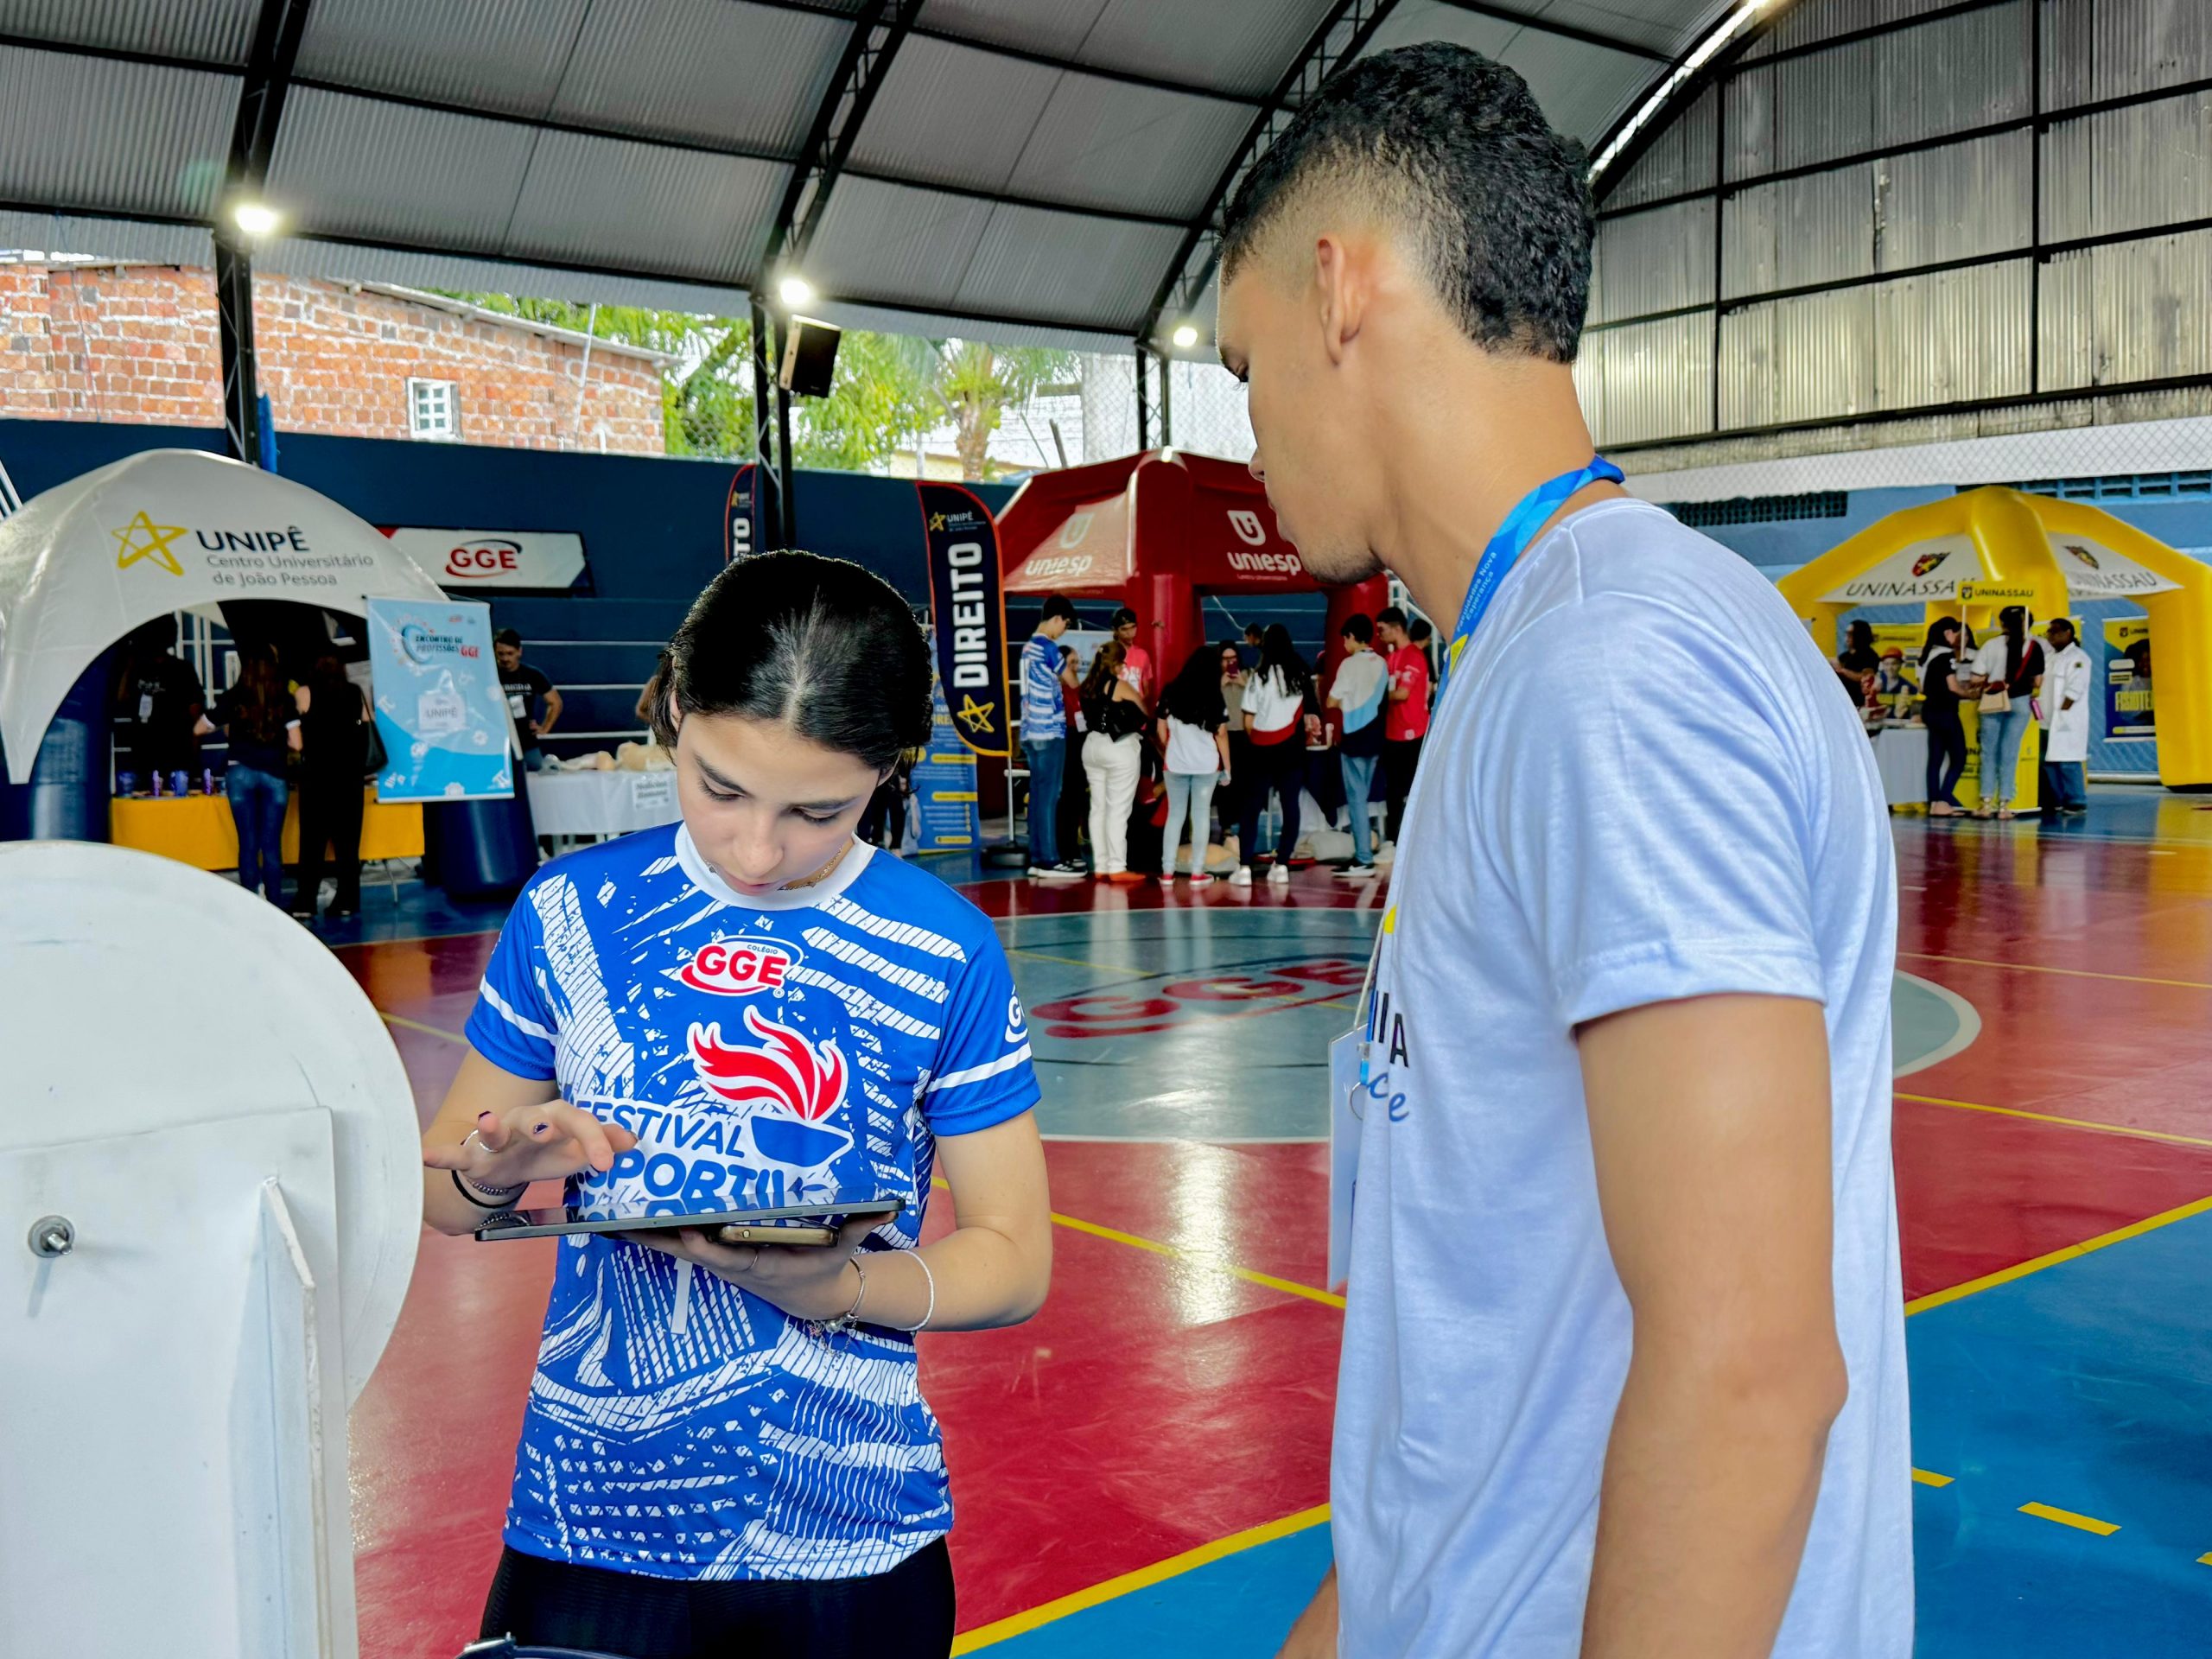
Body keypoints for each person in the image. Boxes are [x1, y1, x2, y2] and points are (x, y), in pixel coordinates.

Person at [1217, 41, 1908, 1658]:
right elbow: (1510, 1355)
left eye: (1245, 370)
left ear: (1337, 291)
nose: (1249, 437)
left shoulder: (1615, 671)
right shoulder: (1546, 657)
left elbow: (1746, 1374)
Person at [421, 550, 1052, 1659]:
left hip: (851, 1532)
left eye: (819, 810)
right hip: (591, 1517)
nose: (758, 850)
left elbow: (1013, 1257)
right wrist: (495, 1167)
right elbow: (443, 1194)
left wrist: (841, 1287)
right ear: (673, 706)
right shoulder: (572, 911)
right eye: (720, 789)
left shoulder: (942, 947)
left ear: (887, 770)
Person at [210, 645, 299, 906]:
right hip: (275, 773)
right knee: (271, 845)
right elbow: (297, 743)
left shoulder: (233, 697)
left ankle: (251, 905)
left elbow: (201, 727)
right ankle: (275, 905)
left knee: (248, 843)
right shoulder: (283, 698)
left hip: (240, 772)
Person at [292, 653, 372, 921]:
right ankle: (348, 900)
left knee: (312, 844)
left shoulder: (305, 693)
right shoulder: (354, 691)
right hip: (349, 779)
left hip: (316, 778)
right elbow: (367, 723)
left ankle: (305, 901)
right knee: (348, 845)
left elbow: (295, 732)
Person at [1233, 625, 1314, 888]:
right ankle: (1282, 865)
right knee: (1290, 806)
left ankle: (1244, 867)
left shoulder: (1258, 677)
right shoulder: (1299, 676)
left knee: (1251, 808)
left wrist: (1258, 739)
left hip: (1261, 750)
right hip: (1292, 750)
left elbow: (1248, 719)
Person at [1019, 595, 1084, 880]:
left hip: (1030, 730)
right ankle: (1048, 860)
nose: (1063, 631)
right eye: (1065, 625)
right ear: (1057, 619)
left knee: (1038, 796)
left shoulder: (1027, 648)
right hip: (1049, 730)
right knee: (1049, 797)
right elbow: (1072, 681)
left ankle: (1038, 856)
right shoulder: (1048, 647)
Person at [1158, 646, 1233, 886]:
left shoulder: (1170, 691)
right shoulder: (1214, 695)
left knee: (1175, 815)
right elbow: (1221, 734)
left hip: (1175, 764)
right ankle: (1197, 872)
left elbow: (1161, 729)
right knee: (1200, 815)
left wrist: (1171, 748)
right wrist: (1227, 768)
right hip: (1205, 765)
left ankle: (1167, 872)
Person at [1079, 639, 1147, 883]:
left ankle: (1101, 865)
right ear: (1118, 664)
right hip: (1118, 747)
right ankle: (1117, 866)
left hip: (1091, 746)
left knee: (1098, 808)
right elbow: (1143, 709)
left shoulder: (1087, 685)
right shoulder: (1119, 686)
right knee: (1118, 809)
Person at [1326, 615, 1388, 878]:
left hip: (1354, 738)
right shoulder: (1382, 663)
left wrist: (1348, 705)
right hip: (1376, 738)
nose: (1344, 643)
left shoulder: (1349, 665)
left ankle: (1363, 858)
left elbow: (1331, 701)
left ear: (1352, 637)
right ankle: (1363, 854)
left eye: (1345, 638)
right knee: (1361, 798)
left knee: (1357, 801)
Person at [1970, 604, 2044, 821]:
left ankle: (1985, 803)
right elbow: (2038, 681)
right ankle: (2004, 805)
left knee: (1988, 753)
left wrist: (1992, 679)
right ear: (2028, 624)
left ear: (2002, 624)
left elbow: (1975, 677)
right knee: (2010, 753)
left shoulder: (1990, 645)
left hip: (1993, 702)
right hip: (2020, 703)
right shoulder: (2034, 647)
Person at [116, 624, 206, 788]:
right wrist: (129, 664)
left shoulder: (182, 668)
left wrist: (194, 749)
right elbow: (121, 698)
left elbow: (195, 711)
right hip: (144, 751)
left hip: (176, 749)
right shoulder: (138, 668)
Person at [1374, 607, 1428, 845]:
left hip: (1413, 733)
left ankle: (1418, 839)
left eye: (1382, 630)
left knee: (1414, 790)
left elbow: (1403, 693)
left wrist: (1374, 696)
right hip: (1392, 733)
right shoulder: (1390, 658)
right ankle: (1394, 840)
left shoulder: (1414, 656)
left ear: (1397, 628)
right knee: (1393, 791)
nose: (1379, 635)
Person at [1916, 616, 1976, 819]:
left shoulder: (1927, 655)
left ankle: (1935, 802)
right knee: (1959, 757)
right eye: (1955, 632)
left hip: (1929, 710)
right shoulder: (1945, 655)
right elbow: (1952, 686)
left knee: (1935, 759)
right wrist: (1970, 694)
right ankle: (1943, 800)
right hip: (1945, 711)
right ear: (1947, 633)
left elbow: (1922, 687)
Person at [2039, 616, 2092, 817]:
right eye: (2049, 632)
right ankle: (2057, 799)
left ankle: (2076, 800)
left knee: (2068, 761)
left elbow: (2076, 687)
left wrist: (2063, 710)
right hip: (2045, 719)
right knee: (2049, 762)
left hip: (2066, 720)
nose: (2050, 636)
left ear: (2068, 633)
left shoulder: (2079, 658)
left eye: (2055, 632)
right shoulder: (2049, 657)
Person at [495, 628, 563, 772]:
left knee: (536, 769)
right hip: (497, 738)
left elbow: (555, 702)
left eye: (510, 653)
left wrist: (544, 728)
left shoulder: (533, 675)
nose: (505, 658)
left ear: (519, 651)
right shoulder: (488, 675)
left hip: (526, 740)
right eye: (501, 654)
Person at [1110, 605, 1153, 702]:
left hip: (1136, 708)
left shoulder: (1143, 655)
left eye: (1133, 627)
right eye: (1124, 629)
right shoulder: (1108, 654)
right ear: (1115, 630)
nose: (1130, 633)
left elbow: (1146, 690)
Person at [1834, 619, 1879, 709]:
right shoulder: (1844, 656)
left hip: (1859, 704)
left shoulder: (1870, 656)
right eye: (1846, 634)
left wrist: (1843, 671)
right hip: (1842, 701)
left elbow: (1866, 677)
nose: (1847, 638)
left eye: (1850, 634)